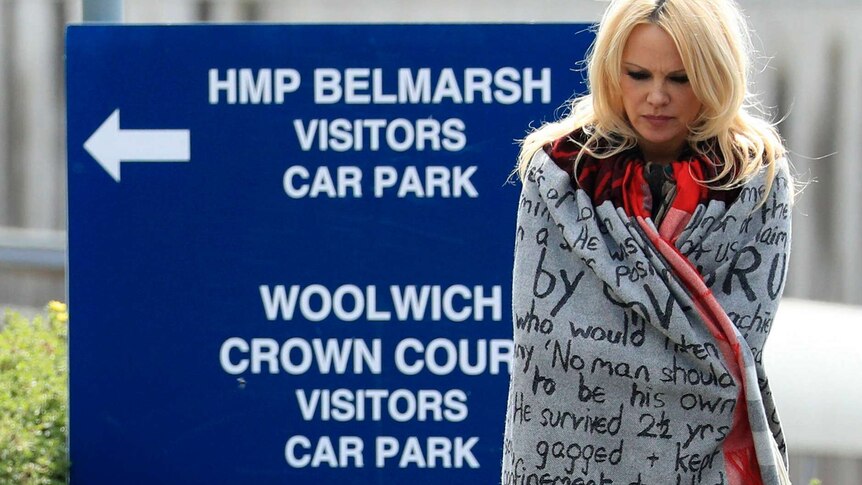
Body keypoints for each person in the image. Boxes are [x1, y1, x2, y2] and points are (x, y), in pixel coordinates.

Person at [501, 1, 793, 484]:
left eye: (679, 78)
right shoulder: (558, 177)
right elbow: (548, 348)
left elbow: (735, 351)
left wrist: (625, 361)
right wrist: (671, 360)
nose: (657, 96)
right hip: (565, 451)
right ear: (613, 74)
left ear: (714, 76)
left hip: (704, 460)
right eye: (639, 75)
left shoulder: (756, 181)